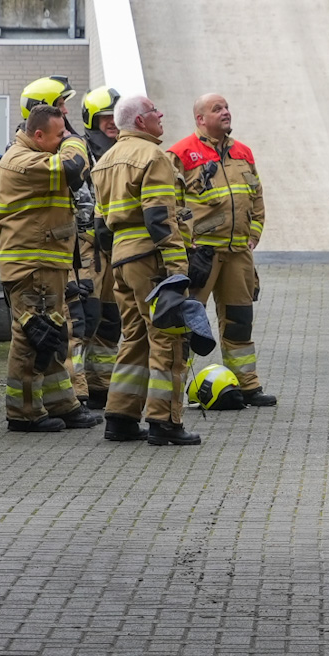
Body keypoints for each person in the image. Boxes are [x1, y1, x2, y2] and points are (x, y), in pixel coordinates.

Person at [91, 94, 201, 447]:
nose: (161, 114)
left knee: (135, 336)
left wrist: (119, 259)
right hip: (152, 259)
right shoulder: (154, 156)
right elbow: (159, 217)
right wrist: (176, 268)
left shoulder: (104, 160)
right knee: (168, 338)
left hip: (121, 261)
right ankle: (164, 421)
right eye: (155, 111)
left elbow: (101, 227)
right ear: (140, 122)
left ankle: (120, 418)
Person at [0, 103, 104, 433]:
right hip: (32, 265)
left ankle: (61, 404)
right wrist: (74, 139)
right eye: (57, 136)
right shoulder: (23, 161)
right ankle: (23, 413)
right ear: (38, 136)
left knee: (52, 336)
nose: (62, 140)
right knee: (31, 337)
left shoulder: (38, 155)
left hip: (46, 262)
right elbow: (73, 167)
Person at [169, 94, 276, 407]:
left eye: (227, 107)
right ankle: (173, 389)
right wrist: (185, 242)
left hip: (239, 252)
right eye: (218, 109)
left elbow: (256, 196)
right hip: (200, 254)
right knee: (187, 323)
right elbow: (171, 203)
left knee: (240, 320)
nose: (226, 112)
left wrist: (254, 233)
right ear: (201, 119)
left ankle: (247, 386)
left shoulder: (243, 152)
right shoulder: (180, 153)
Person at [73, 86, 122, 410]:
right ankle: (75, 392)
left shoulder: (125, 151)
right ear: (92, 120)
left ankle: (101, 386)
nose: (113, 124)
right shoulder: (79, 153)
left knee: (110, 321)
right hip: (88, 249)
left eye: (116, 118)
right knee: (84, 320)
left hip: (116, 249)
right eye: (106, 118)